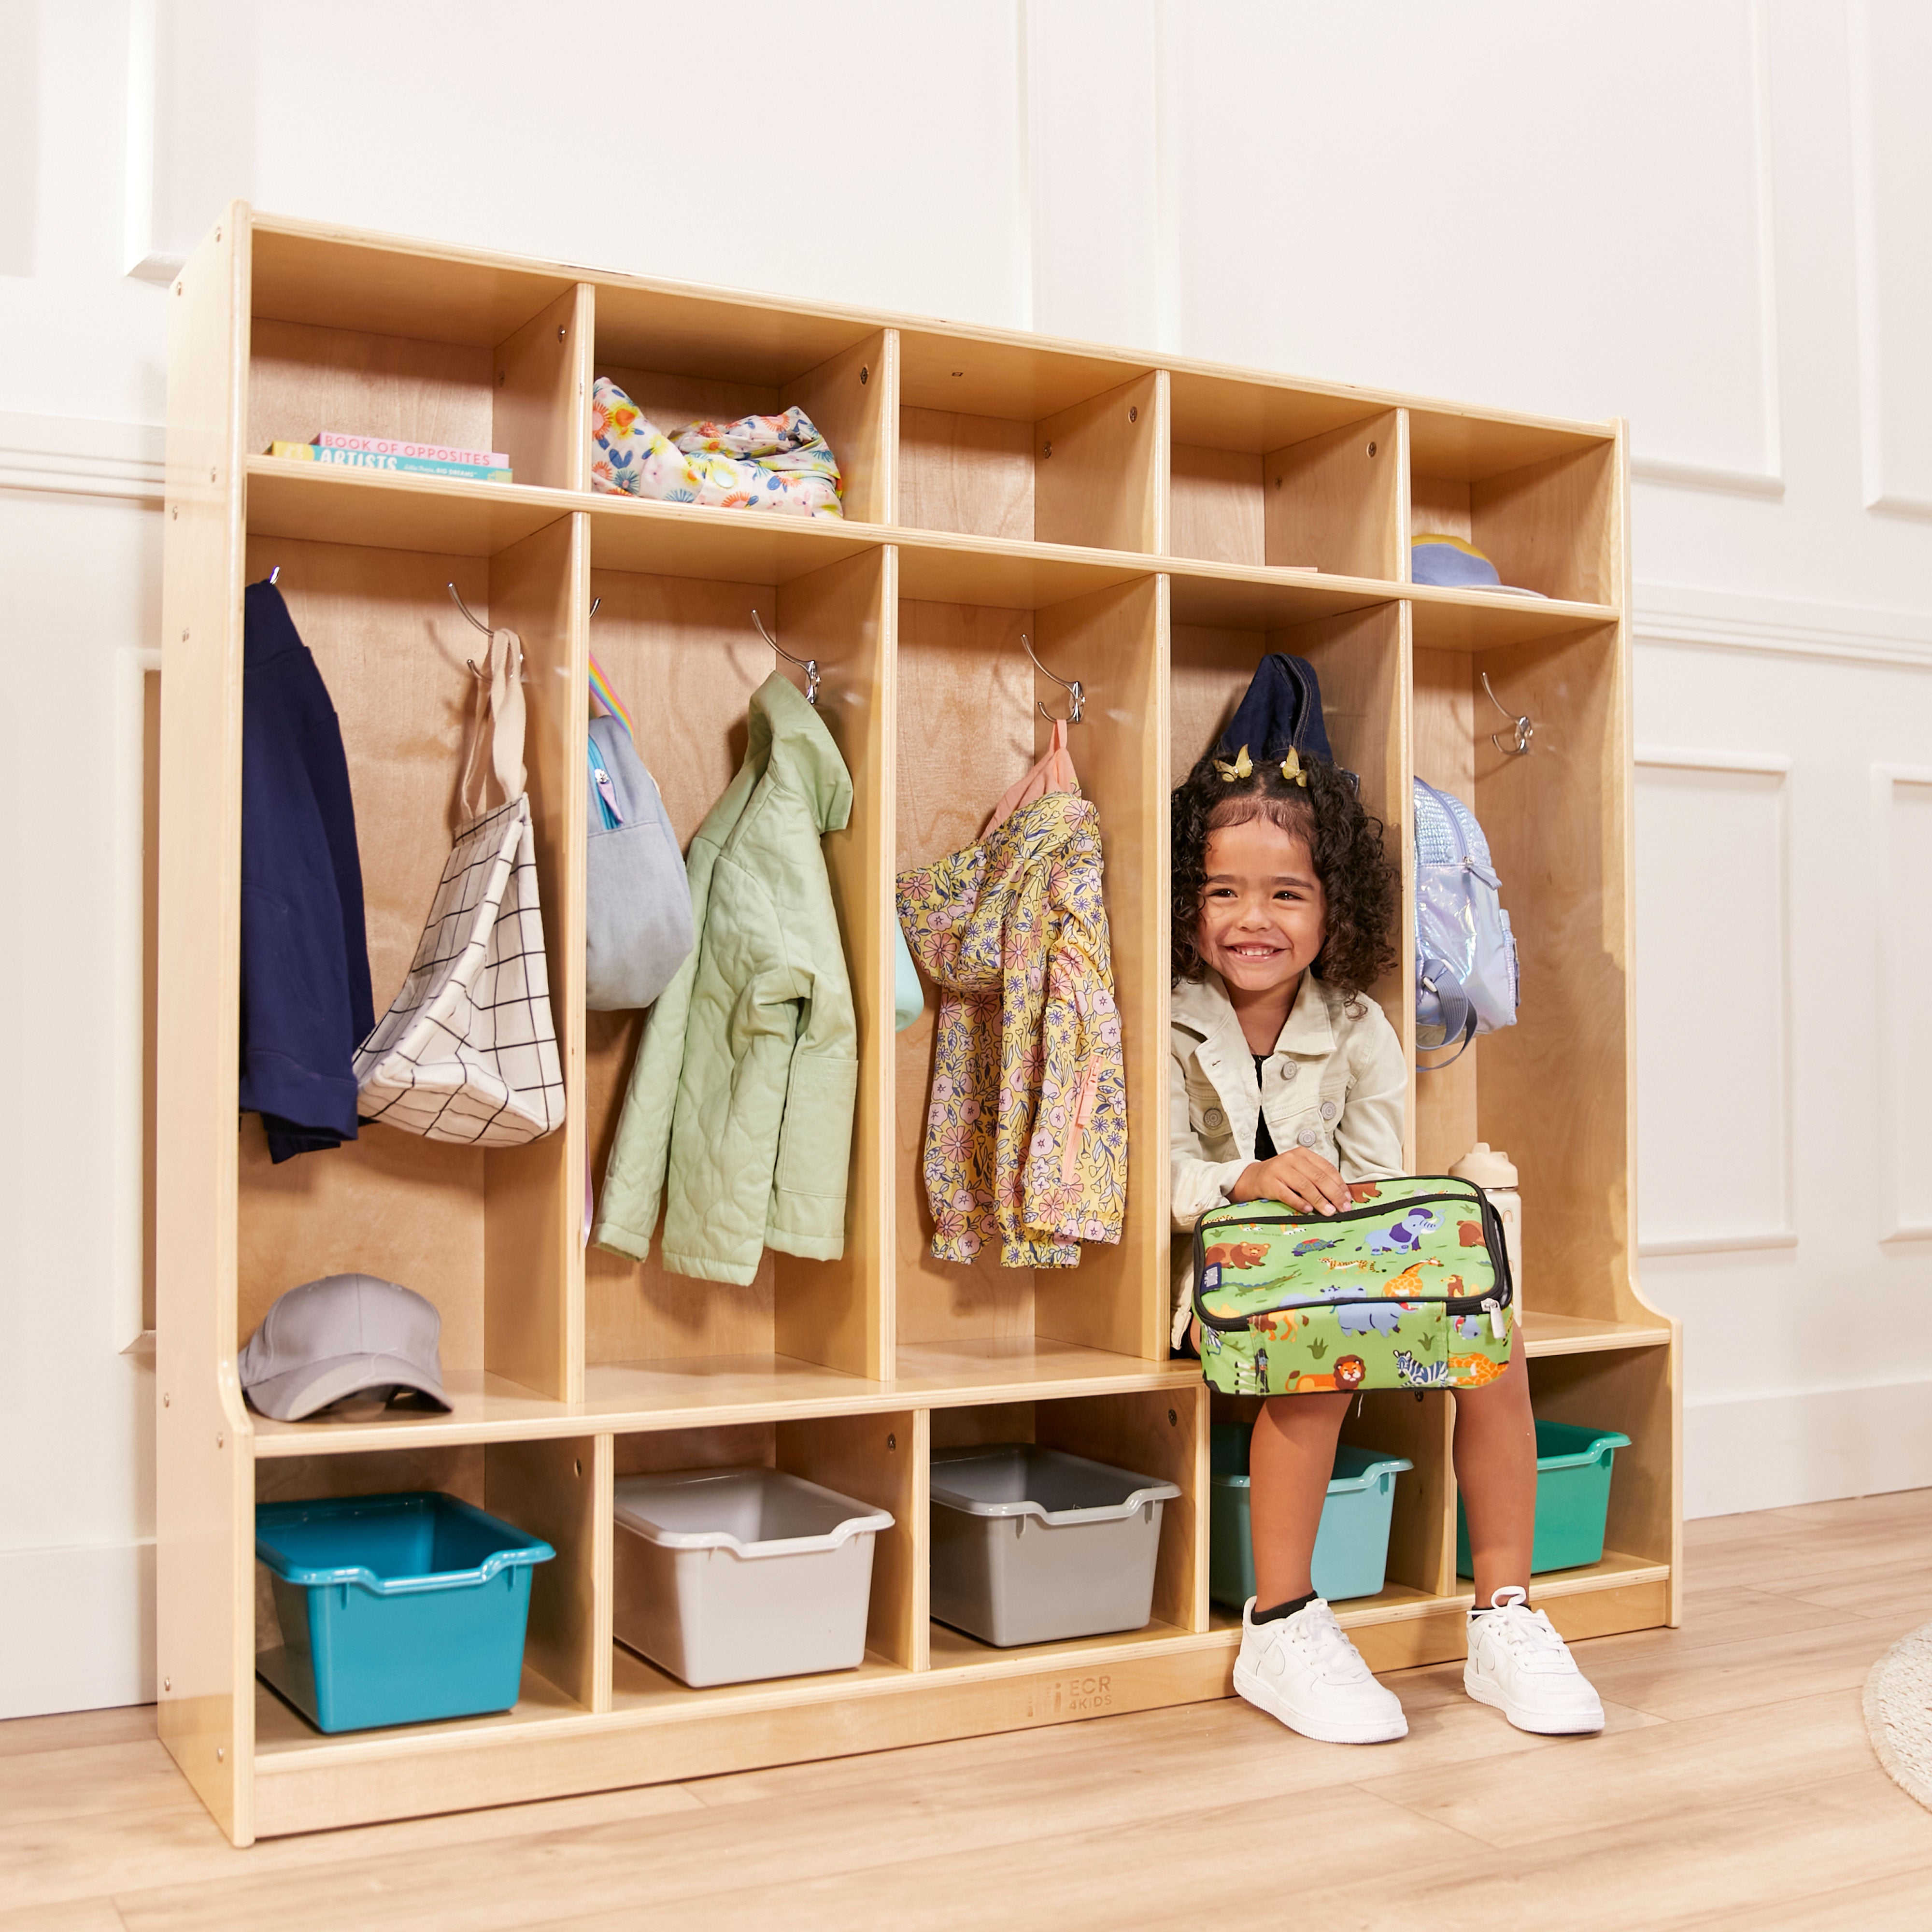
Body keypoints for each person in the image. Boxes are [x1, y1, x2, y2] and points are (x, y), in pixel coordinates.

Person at [1170, 745, 1605, 1744]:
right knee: (1316, 1356)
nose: (1253, 919)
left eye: (1286, 893)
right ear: (1187, 903)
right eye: (1224, 891)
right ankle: (1277, 1621)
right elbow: (1137, 1174)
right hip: (1216, 1277)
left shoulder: (1357, 1024)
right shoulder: (1167, 1018)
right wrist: (1242, 1178)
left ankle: (1503, 1613)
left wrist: (1364, 1232)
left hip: (1340, 1260)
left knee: (1492, 1337)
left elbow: (1378, 1177)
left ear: (1332, 909)